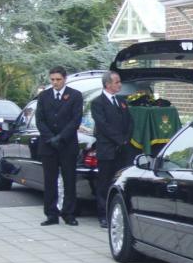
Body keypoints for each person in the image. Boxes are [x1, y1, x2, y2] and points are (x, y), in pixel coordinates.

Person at [35, 66, 83, 226]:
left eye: (58, 79)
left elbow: (75, 120)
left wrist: (61, 137)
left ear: (65, 79)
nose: (55, 82)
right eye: (53, 79)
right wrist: (50, 138)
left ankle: (68, 213)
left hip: (67, 144)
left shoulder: (75, 95)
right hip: (48, 145)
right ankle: (51, 214)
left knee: (69, 180)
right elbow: (40, 120)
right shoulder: (43, 96)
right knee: (50, 181)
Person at [91, 71, 134, 228]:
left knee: (119, 182)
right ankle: (103, 215)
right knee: (104, 183)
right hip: (107, 149)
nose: (120, 84)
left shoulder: (121, 101)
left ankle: (119, 213)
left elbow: (130, 122)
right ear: (108, 84)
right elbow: (103, 125)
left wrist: (126, 139)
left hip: (122, 149)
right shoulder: (98, 103)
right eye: (117, 82)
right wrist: (119, 139)